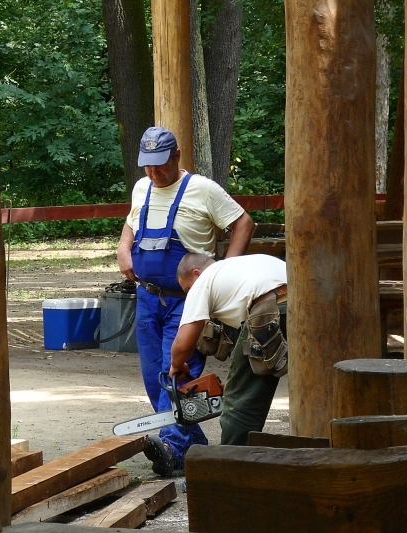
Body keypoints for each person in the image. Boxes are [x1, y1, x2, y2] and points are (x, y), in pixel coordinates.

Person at [117, 126, 254, 476]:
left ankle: (172, 449)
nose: (154, 172)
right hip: (148, 297)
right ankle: (191, 445)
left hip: (187, 301)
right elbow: (132, 222)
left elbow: (243, 223)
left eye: (160, 165)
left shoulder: (202, 190)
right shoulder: (142, 188)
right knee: (154, 379)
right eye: (147, 166)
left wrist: (225, 272)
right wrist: (123, 248)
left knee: (174, 375)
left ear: (177, 156)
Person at [170, 253, 288, 446]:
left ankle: (232, 462)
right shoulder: (242, 265)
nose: (189, 293)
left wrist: (177, 365)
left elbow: (182, 345)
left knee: (239, 402)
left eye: (188, 289)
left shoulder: (203, 281)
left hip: (268, 310)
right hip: (305, 301)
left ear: (196, 273)